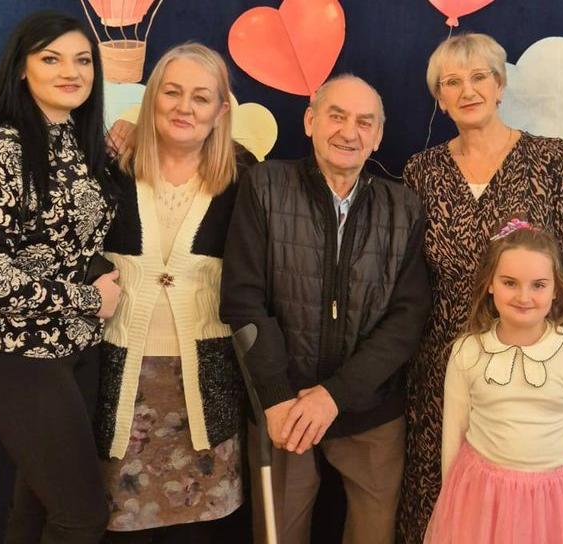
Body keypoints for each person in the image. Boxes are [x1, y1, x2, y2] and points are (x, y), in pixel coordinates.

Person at [397, 33, 563, 543]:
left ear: (500, 84)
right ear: (440, 98)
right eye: (452, 82)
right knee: (446, 503)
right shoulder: (420, 172)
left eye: (479, 77)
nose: (467, 91)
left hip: (537, 371)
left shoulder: (554, 160)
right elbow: (407, 279)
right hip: (444, 369)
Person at [220, 74, 432, 544]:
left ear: (378, 136)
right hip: (284, 405)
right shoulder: (264, 185)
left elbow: (407, 320)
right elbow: (242, 298)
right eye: (336, 116)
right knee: (278, 534)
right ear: (310, 121)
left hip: (371, 408)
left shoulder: (404, 207)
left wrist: (335, 395)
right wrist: (275, 395)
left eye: (364, 122)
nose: (349, 132)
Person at [0, 11, 120, 543]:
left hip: (76, 350)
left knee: (36, 510)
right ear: (22, 68)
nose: (71, 72)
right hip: (17, 352)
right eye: (51, 58)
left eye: (83, 60)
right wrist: (87, 297)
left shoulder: (79, 138)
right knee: (82, 515)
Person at [93, 43, 255, 542]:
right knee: (118, 524)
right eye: (172, 92)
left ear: (221, 110)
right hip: (120, 378)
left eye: (201, 98)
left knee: (197, 530)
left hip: (204, 383)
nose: (185, 107)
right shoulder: (110, 167)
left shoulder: (243, 177)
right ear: (152, 98)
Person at [424, 218, 563, 544]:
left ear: (555, 289)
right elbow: (452, 446)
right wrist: (453, 512)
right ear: (490, 283)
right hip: (481, 506)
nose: (523, 296)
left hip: (553, 513)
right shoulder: (467, 352)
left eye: (538, 285)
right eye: (510, 283)